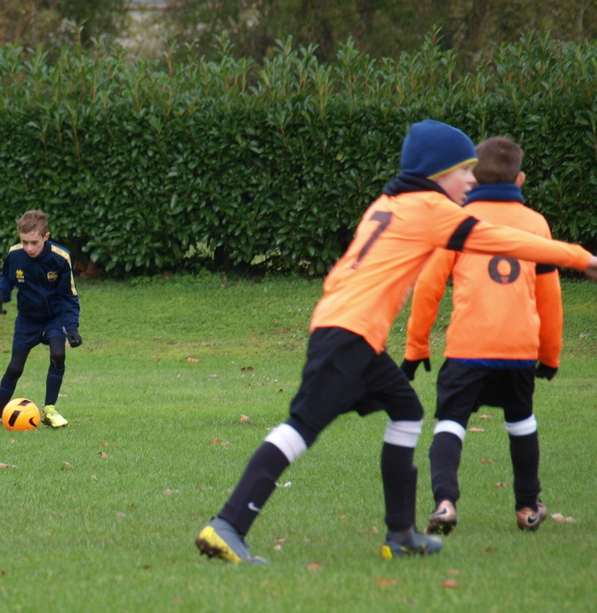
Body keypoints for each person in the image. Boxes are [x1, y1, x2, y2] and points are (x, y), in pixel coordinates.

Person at [194, 119, 597, 565]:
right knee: (301, 427)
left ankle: (401, 533)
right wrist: (583, 258)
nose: (472, 179)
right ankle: (229, 524)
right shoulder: (430, 208)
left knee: (406, 410)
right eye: (464, 170)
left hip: (350, 332)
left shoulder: (388, 202)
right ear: (437, 172)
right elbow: (505, 240)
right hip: (348, 335)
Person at [402, 136, 562, 534]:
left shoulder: (456, 222)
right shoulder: (536, 224)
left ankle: (444, 504)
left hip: (468, 348)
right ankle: (527, 507)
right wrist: (550, 354)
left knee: (450, 423)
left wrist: (416, 346)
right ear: (519, 179)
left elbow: (428, 287)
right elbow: (550, 296)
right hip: (519, 348)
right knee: (521, 422)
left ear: (472, 178)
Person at [0, 210, 81, 430]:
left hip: (54, 318)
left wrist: (72, 328)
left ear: (46, 237)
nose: (29, 248)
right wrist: (0, 295)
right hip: (27, 320)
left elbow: (69, 296)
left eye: (34, 242)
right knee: (15, 367)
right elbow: (7, 279)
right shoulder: (15, 255)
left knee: (58, 354)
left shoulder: (60, 258)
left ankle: (49, 410)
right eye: (24, 242)